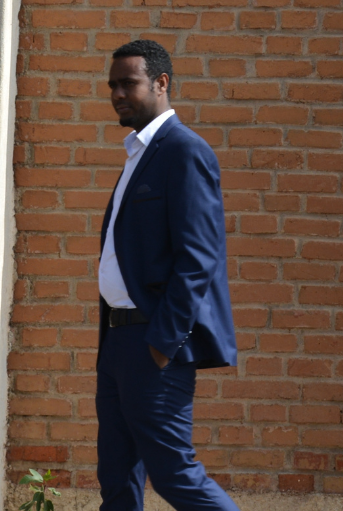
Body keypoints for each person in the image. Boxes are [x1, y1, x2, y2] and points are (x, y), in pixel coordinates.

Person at [96, 39, 239, 511]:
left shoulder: (183, 152)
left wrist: (163, 344)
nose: (118, 93)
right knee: (118, 477)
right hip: (117, 344)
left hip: (153, 343)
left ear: (161, 83)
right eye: (113, 84)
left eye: (128, 83)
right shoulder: (139, 152)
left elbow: (199, 257)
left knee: (176, 476)